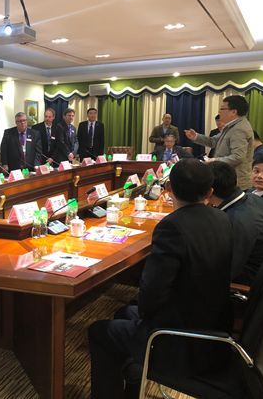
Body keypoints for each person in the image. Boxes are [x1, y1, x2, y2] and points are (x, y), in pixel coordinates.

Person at [88, 158, 233, 399]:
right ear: (209, 192)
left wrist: (144, 314)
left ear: (168, 188)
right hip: (213, 328)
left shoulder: (172, 226)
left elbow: (151, 295)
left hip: (180, 339)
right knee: (123, 312)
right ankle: (134, 382)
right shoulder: (222, 218)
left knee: (98, 331)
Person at [209, 161, 263, 285]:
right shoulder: (253, 197)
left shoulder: (233, 222)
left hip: (249, 282)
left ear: (208, 191)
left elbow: (228, 270)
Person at [185, 95, 254, 189]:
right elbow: (213, 141)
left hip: (235, 181)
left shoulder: (239, 129)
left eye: (222, 109)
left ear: (233, 112)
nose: (219, 111)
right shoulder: (231, 126)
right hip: (227, 178)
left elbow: (238, 157)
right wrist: (196, 136)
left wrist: (214, 160)